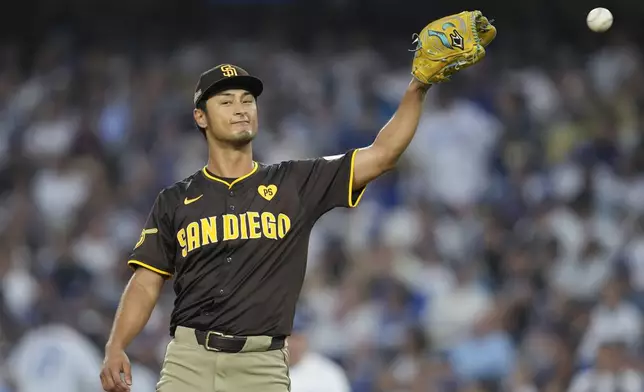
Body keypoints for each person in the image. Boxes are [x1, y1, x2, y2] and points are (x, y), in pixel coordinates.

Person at [99, 12, 494, 390]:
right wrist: (116, 345)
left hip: (262, 363)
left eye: (246, 100)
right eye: (226, 101)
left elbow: (381, 155)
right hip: (189, 360)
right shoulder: (175, 199)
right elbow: (147, 281)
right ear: (200, 117)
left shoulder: (295, 181)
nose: (240, 108)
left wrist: (417, 87)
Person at [288, 311, 351, 392]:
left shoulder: (328, 373)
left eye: (296, 338)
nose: (290, 344)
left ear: (305, 339)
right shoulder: (268, 369)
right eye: (285, 337)